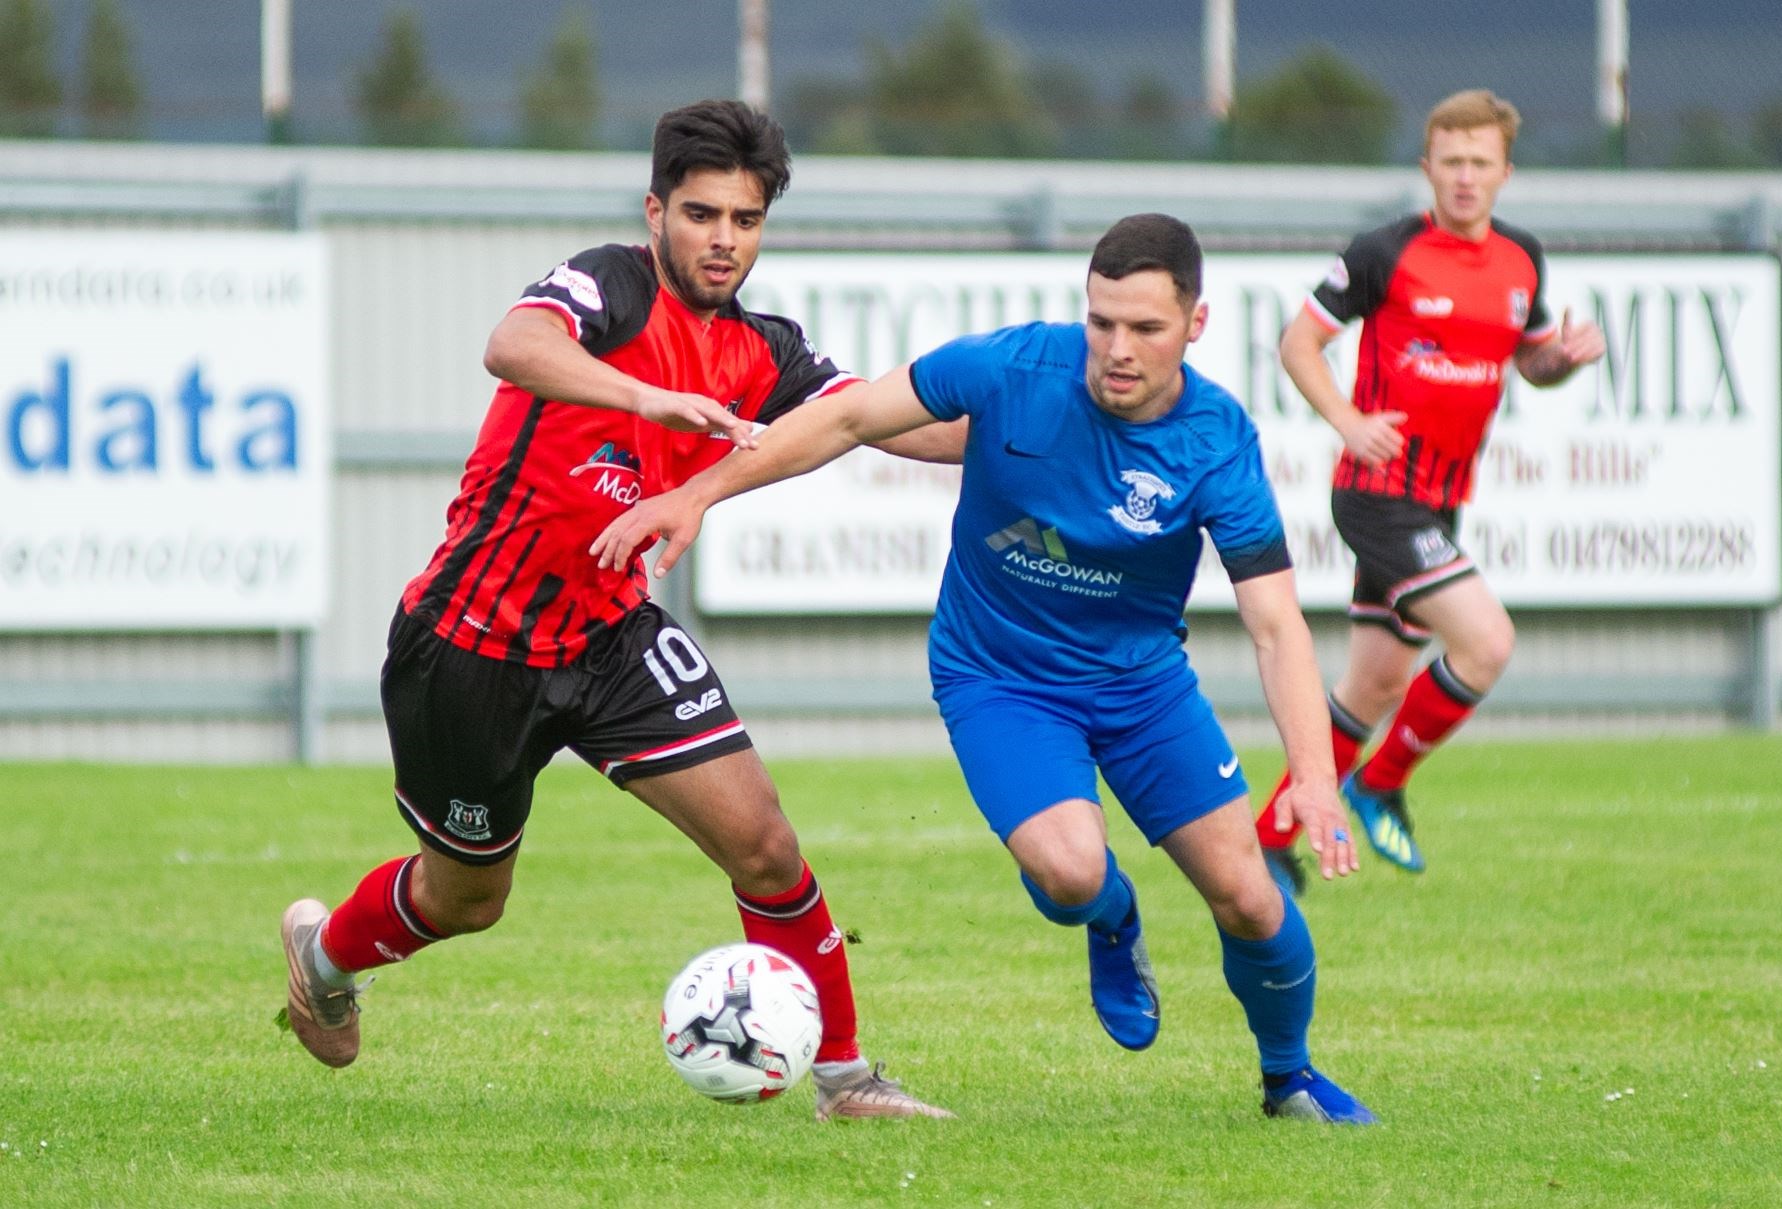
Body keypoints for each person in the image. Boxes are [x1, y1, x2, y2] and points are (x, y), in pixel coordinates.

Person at [594, 213, 1376, 1124]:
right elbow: (845, 415)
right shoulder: (1010, 368)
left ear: (1195, 325)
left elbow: (1277, 626)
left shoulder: (1217, 441)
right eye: (1103, 322)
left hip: (1141, 685)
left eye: (1146, 329)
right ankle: (1113, 918)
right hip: (998, 676)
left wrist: (1317, 780)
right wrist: (696, 492)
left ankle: (1290, 1078)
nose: (1118, 349)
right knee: (1072, 872)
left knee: (1248, 896)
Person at [279, 99, 958, 1122]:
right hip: (471, 644)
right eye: (699, 214)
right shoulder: (609, 284)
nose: (722, 239)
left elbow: (881, 420)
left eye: (744, 218)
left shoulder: (763, 351)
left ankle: (846, 1080)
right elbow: (510, 344)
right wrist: (642, 399)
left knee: (765, 844)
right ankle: (324, 956)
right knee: (467, 898)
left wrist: (1031, 416)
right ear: (655, 212)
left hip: (611, 635)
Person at [1252, 90, 1607, 897]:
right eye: (1451, 162)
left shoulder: (1522, 260)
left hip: (1439, 504)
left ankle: (1270, 836)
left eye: (1481, 163)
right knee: (1486, 642)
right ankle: (1379, 784)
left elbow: (1533, 363)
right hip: (1379, 494)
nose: (1466, 178)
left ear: (1505, 172)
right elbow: (1297, 340)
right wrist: (1346, 420)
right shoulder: (1386, 252)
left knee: (1374, 682)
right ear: (1427, 167)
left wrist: (1566, 361)